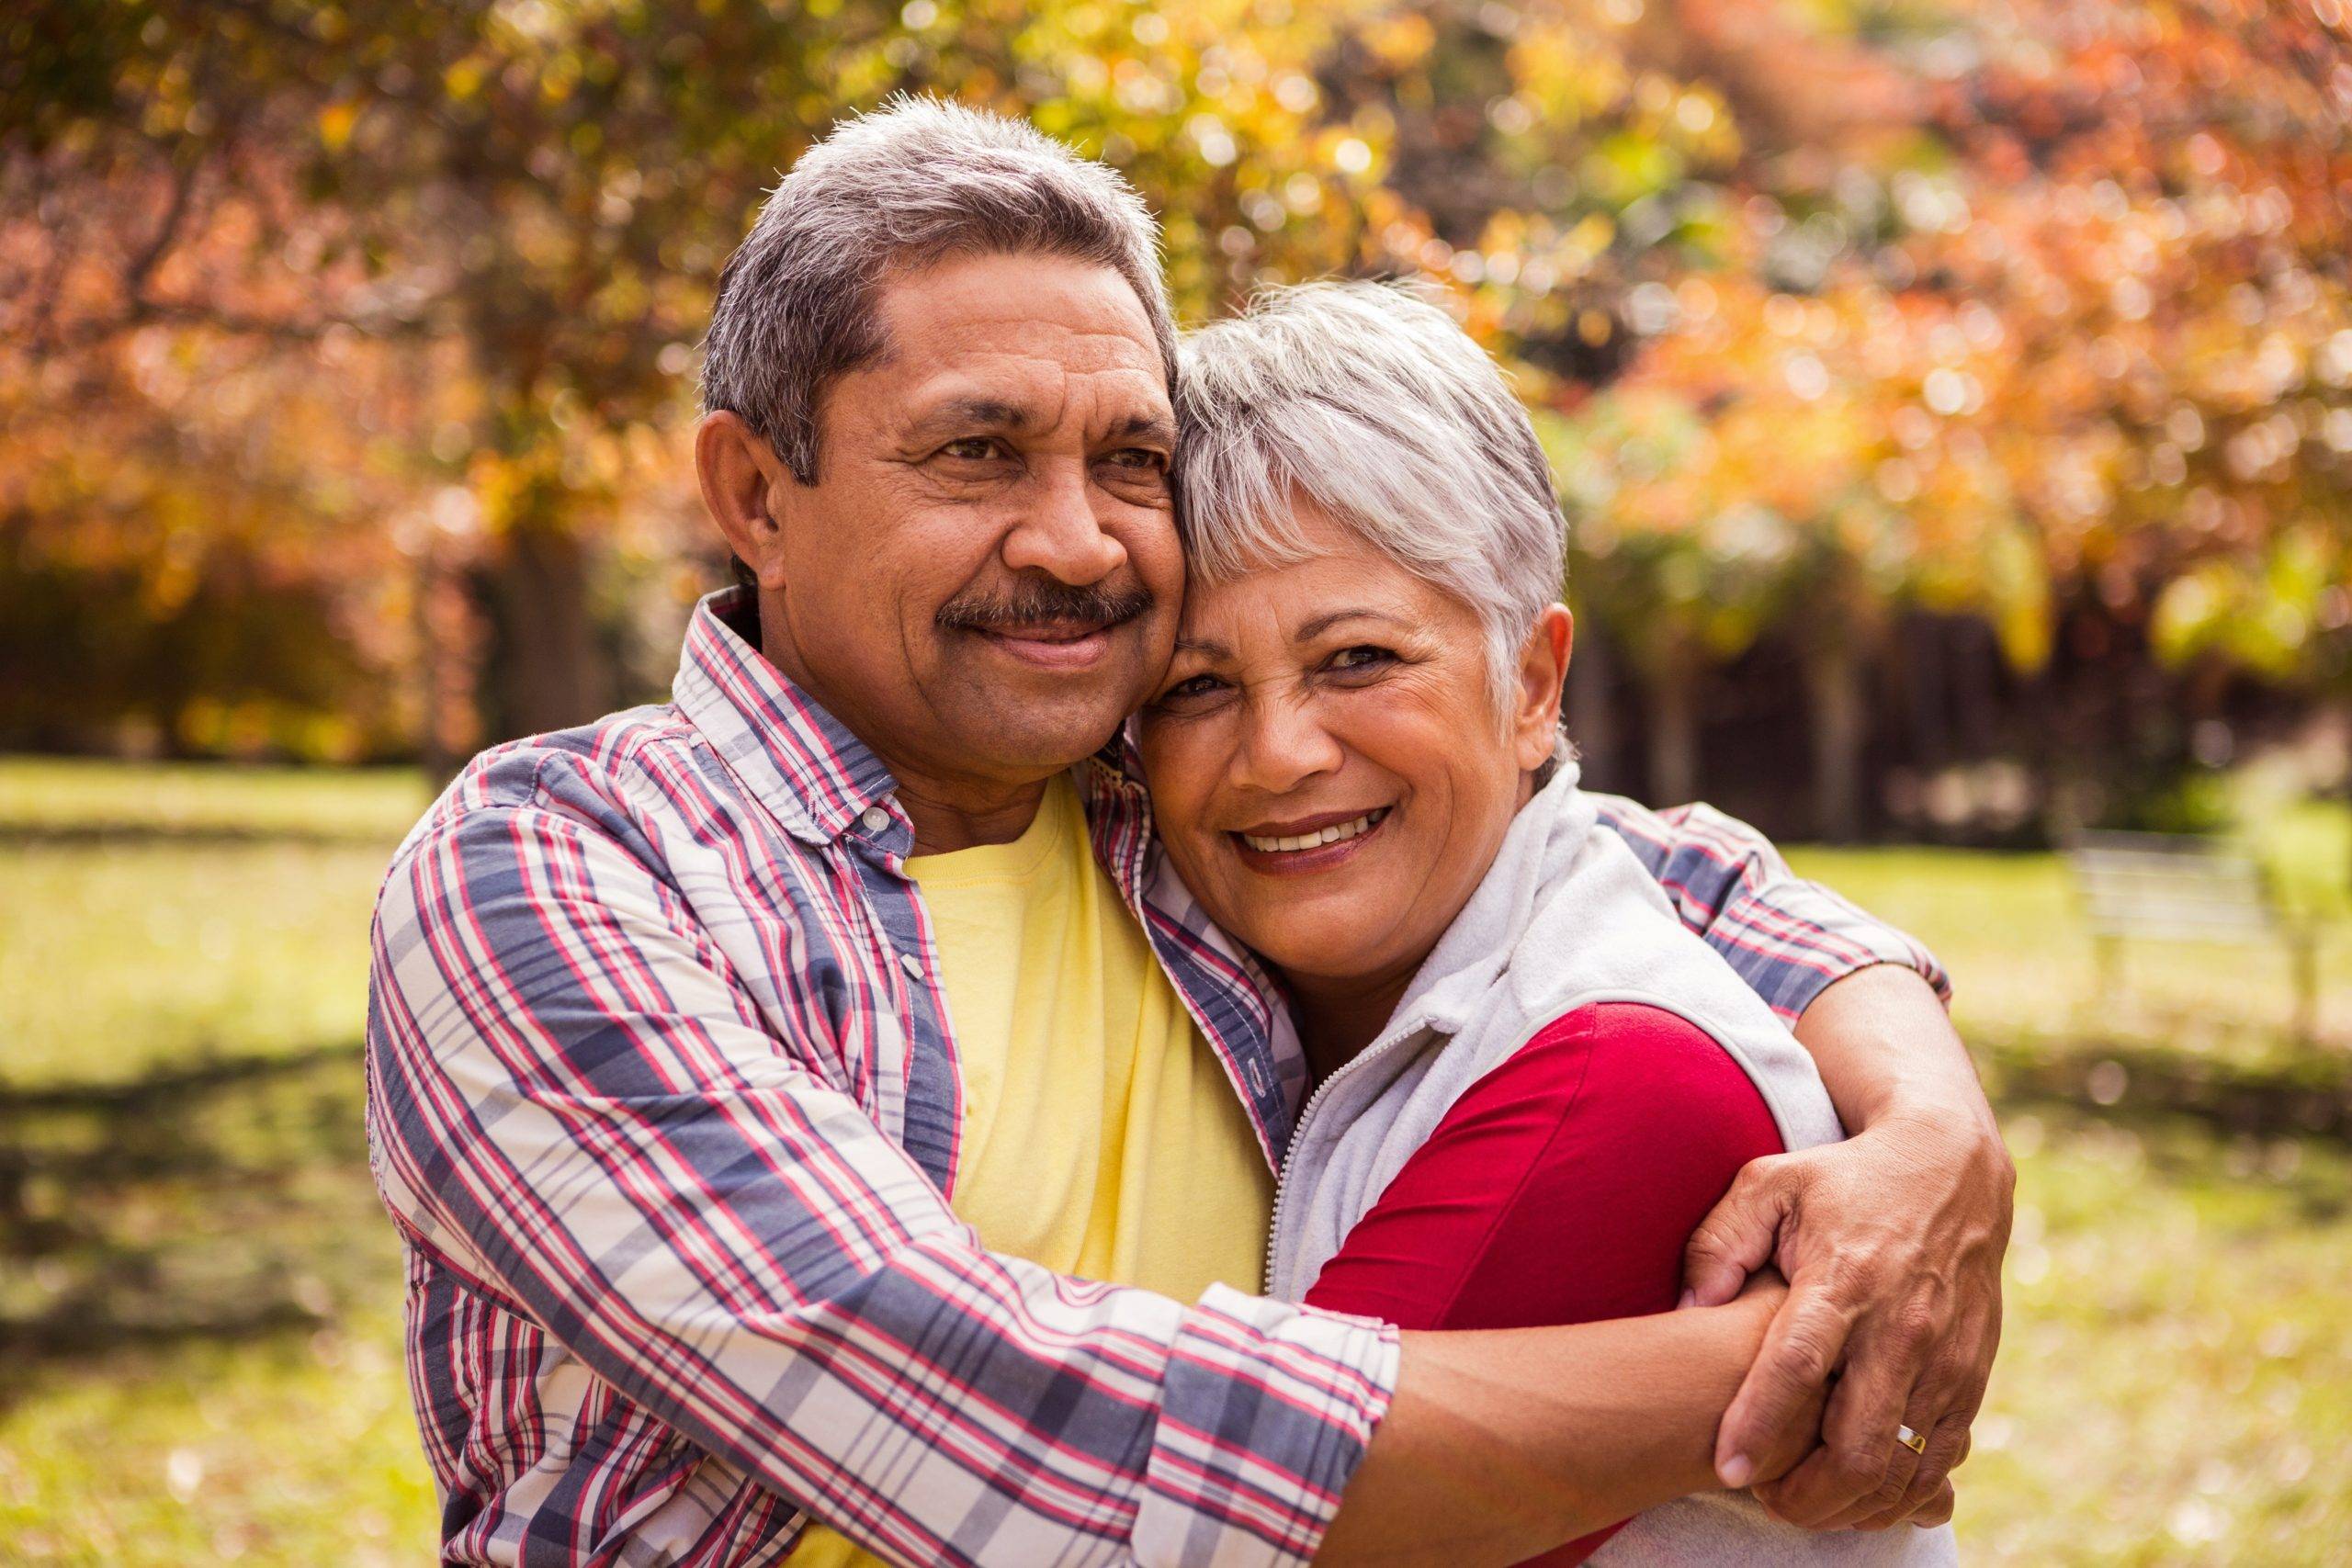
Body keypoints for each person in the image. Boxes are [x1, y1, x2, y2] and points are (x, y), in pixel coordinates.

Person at [363, 98, 2011, 1566]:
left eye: (1128, 459)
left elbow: (1607, 852)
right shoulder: (561, 871)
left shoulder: (1158, 792)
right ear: (755, 493)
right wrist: (1786, 1368)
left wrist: (1931, 1120)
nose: (1076, 543)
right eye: (978, 451)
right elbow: (1004, 1431)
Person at [1139, 279, 1977, 1562]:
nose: (1278, 753)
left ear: (1530, 685)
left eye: (1358, 658)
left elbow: (1239, 1533)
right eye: (1197, 685)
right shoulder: (1242, 955)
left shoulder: (1614, 1076)